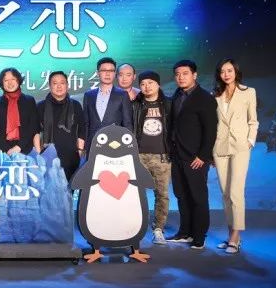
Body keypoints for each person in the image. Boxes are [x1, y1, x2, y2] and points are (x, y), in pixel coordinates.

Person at [166, 59, 217, 250]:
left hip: (195, 157)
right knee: (181, 195)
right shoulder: (176, 95)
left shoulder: (204, 98)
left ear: (194, 75)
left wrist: (203, 156)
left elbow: (211, 130)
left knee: (198, 197)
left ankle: (199, 236)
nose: (181, 77)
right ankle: (185, 232)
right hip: (177, 155)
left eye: (185, 73)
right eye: (177, 74)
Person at [212, 58, 258, 254]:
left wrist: (249, 142)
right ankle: (232, 235)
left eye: (229, 70)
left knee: (235, 192)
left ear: (236, 72)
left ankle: (235, 237)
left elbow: (253, 121)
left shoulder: (248, 92)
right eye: (223, 71)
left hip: (240, 147)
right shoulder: (216, 95)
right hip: (220, 147)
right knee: (225, 194)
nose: (226, 74)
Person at [132, 71, 171, 245]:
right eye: (143, 84)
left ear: (158, 84)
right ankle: (135, 227)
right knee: (135, 194)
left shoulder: (168, 104)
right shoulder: (135, 105)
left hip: (162, 156)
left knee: (162, 194)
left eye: (150, 83)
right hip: (139, 155)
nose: (146, 87)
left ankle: (158, 229)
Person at [34, 71, 86, 181]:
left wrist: (80, 151)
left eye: (62, 83)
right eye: (55, 83)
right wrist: (39, 154)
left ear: (67, 85)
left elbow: (82, 130)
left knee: (70, 188)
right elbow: (35, 132)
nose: (59, 86)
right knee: (51, 188)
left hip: (71, 157)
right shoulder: (40, 106)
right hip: (47, 156)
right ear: (49, 86)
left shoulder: (76, 105)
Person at [83, 57, 133, 142]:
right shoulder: (89, 95)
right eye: (104, 70)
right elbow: (86, 123)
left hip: (115, 143)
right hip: (92, 142)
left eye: (111, 71)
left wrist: (128, 144)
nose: (107, 74)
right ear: (98, 73)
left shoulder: (122, 95)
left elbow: (127, 123)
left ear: (115, 73)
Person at [0, 67, 38, 155]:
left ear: (18, 80)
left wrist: (19, 147)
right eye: (6, 80)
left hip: (26, 149)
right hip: (3, 151)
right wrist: (7, 149)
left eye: (13, 79)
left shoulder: (29, 100)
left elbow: (32, 126)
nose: (10, 83)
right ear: (1, 83)